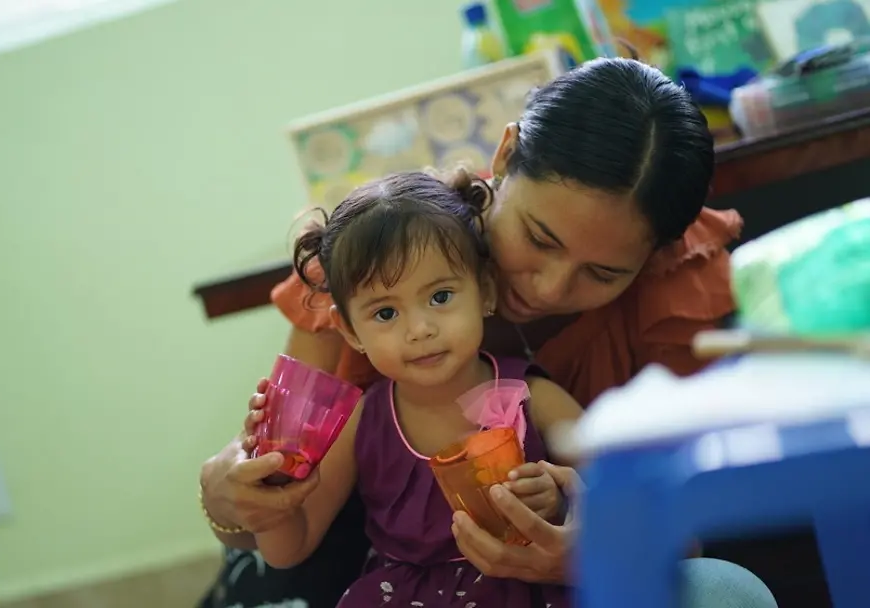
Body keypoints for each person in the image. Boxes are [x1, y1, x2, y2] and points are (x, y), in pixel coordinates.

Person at [198, 58, 776, 608]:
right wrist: (240, 493)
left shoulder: (665, 291)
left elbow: (684, 518)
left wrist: (590, 543)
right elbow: (276, 527)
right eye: (539, 238)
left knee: (724, 591)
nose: (549, 288)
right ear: (504, 155)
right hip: (362, 568)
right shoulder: (384, 251)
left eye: (603, 273)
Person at [246, 171, 584, 606]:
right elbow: (289, 549)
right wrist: (271, 481)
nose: (420, 329)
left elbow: (630, 495)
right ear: (349, 331)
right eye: (385, 313)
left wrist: (561, 502)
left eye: (440, 297)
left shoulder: (532, 396)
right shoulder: (360, 421)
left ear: (484, 291)